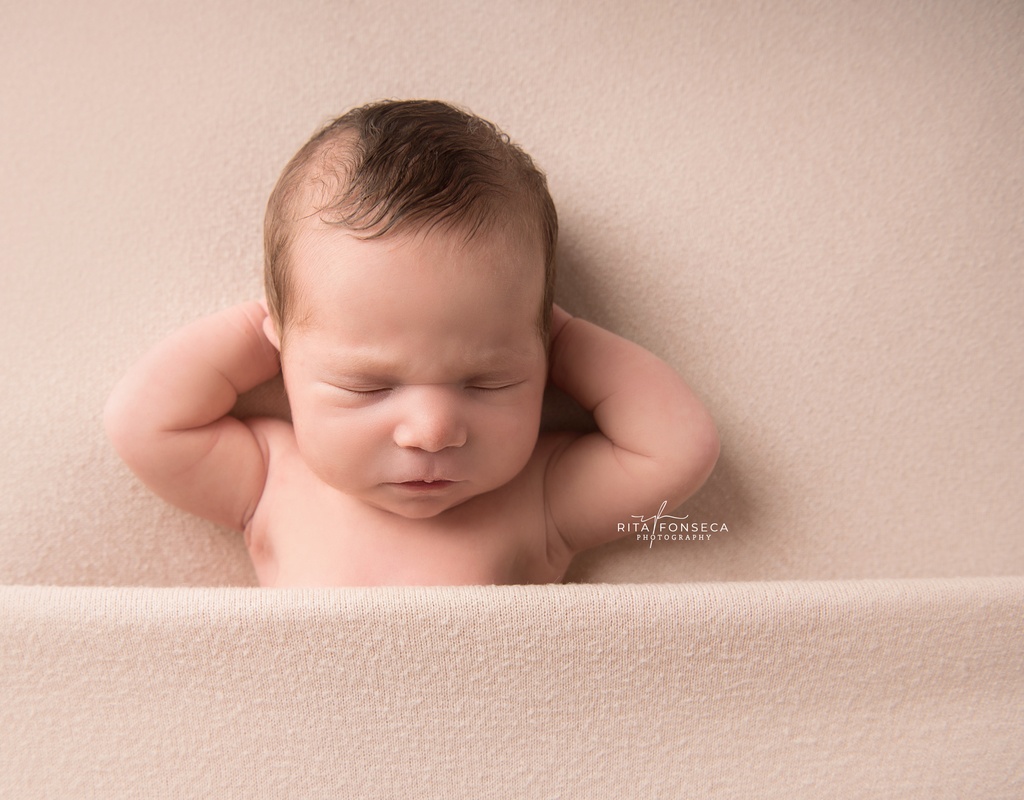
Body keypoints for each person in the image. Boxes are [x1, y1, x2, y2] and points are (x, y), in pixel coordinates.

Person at [104, 99, 719, 586]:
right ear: (283, 357)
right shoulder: (271, 481)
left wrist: (556, 334)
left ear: (544, 364)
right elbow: (145, 423)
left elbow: (676, 449)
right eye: (366, 387)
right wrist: (262, 327)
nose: (432, 431)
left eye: (489, 382)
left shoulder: (542, 499)